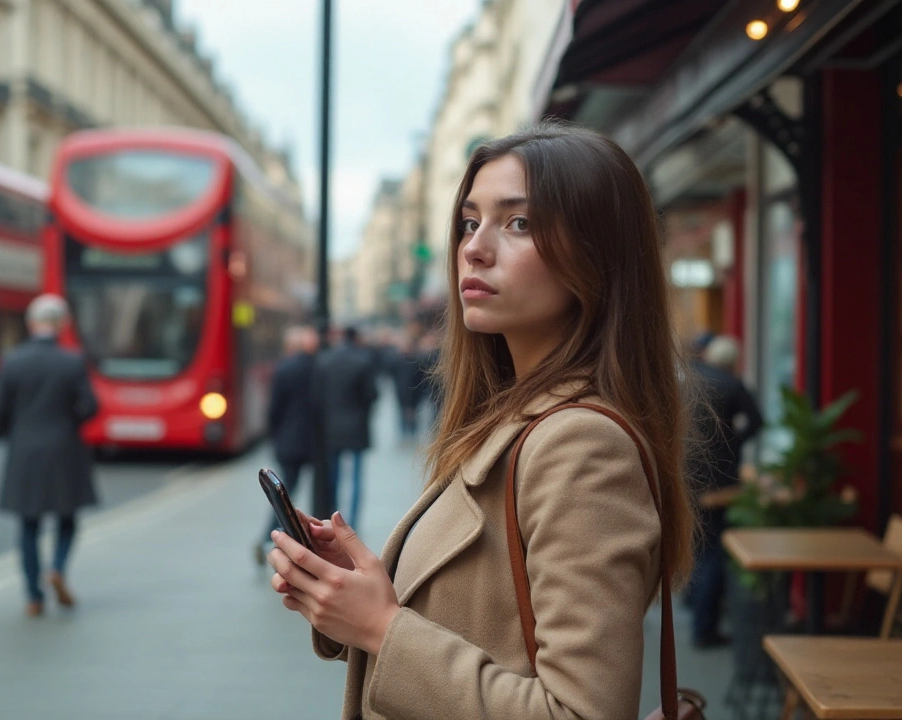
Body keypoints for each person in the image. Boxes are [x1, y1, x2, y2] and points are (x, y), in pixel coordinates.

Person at [266, 123, 695, 719]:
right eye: (471, 221)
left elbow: (580, 712)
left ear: (598, 254)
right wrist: (356, 594)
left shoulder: (581, 444)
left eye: (518, 223)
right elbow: (485, 628)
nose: (474, 246)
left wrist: (382, 627)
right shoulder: (509, 419)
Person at [0, 294, 99, 617]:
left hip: (24, 449)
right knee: (67, 518)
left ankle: (33, 596)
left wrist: (18, 431)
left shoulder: (12, 361)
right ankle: (58, 568)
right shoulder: (73, 361)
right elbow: (90, 406)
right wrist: (68, 422)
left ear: (30, 323)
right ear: (62, 324)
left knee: (28, 524)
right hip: (64, 447)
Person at [689, 334, 764, 648]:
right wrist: (734, 442)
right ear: (733, 361)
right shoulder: (734, 385)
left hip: (690, 476)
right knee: (716, 553)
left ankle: (694, 605)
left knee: (698, 544)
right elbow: (757, 423)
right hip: (721, 478)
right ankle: (704, 627)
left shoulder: (692, 382)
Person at [255, 325, 320, 565]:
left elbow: (274, 409)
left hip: (289, 440)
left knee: (284, 493)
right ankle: (316, 537)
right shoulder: (316, 366)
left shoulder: (283, 369)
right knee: (321, 488)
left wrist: (274, 435)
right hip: (315, 440)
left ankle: (268, 537)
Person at [312, 326, 378, 527]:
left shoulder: (325, 361)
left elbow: (316, 397)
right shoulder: (363, 361)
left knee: (334, 476)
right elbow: (372, 395)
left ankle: (335, 518)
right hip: (357, 426)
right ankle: (353, 522)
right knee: (357, 478)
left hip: (332, 427)